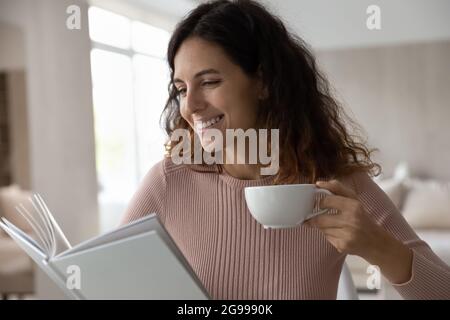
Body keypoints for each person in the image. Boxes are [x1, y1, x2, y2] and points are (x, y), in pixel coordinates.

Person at [120, 0, 450, 299]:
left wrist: (377, 246)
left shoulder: (336, 184)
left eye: (209, 82)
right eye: (181, 88)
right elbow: (103, 280)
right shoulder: (168, 181)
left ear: (263, 82)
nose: (189, 105)